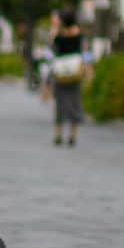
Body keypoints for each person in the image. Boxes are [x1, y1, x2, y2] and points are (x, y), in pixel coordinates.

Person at [50, 9, 85, 147]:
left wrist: (55, 28)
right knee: (75, 102)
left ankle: (58, 134)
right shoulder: (78, 35)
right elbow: (81, 51)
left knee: (60, 103)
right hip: (74, 72)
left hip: (60, 73)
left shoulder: (59, 35)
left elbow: (54, 47)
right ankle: (72, 135)